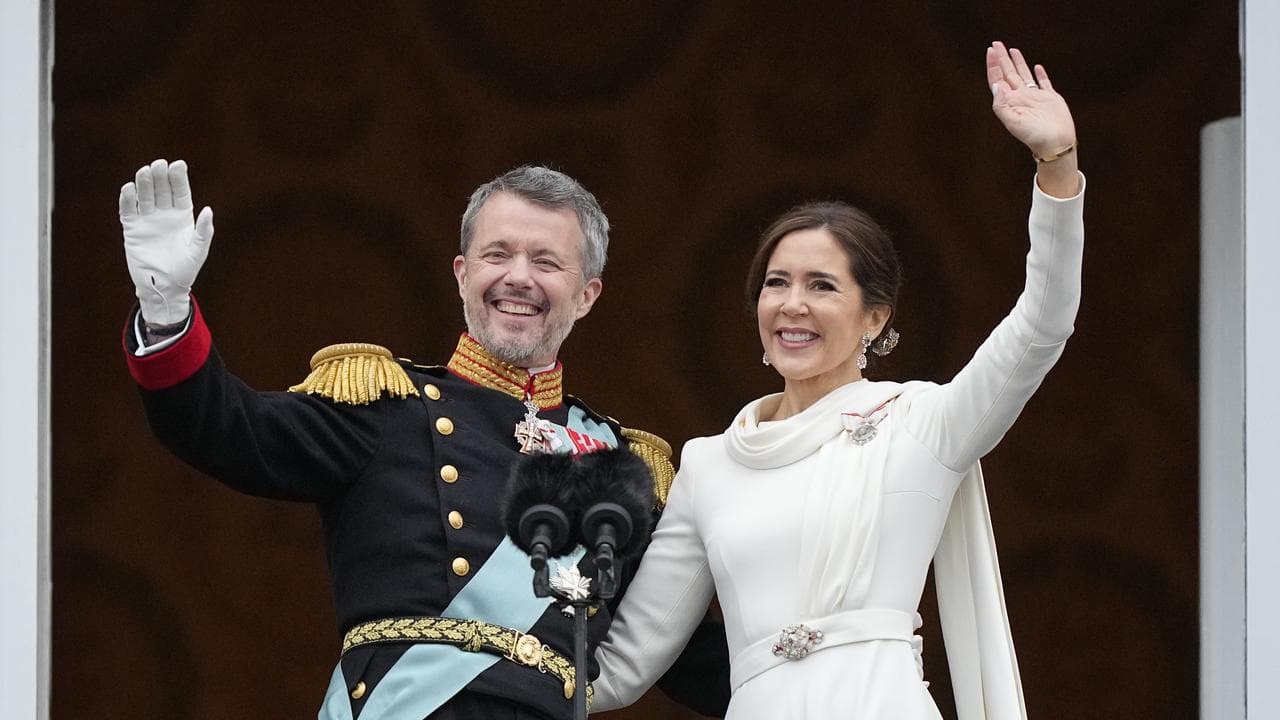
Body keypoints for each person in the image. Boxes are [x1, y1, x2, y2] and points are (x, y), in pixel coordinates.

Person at [117, 163, 730, 719]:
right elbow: (226, 429)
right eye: (497, 254)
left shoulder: (619, 469)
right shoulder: (382, 405)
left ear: (587, 294)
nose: (518, 277)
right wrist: (167, 311)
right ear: (462, 273)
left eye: (546, 261)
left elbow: (693, 654)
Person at [589, 41, 1084, 719]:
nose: (793, 305)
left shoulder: (924, 423)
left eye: (823, 286)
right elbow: (618, 669)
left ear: (874, 317)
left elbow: (1042, 326)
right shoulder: (708, 466)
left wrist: (1056, 167)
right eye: (776, 284)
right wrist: (467, 655)